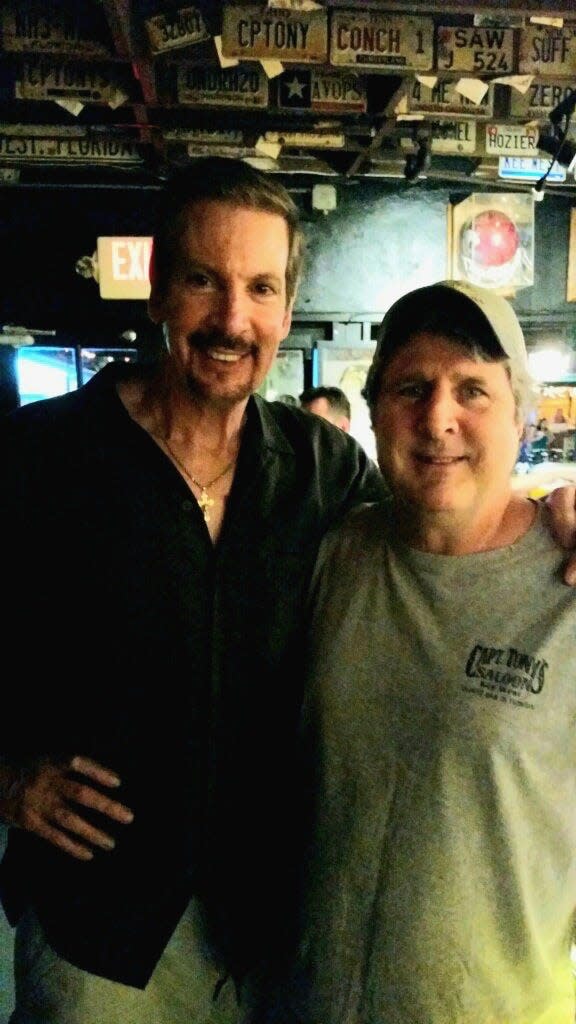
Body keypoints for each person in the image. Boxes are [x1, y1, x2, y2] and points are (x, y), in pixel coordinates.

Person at [0, 157, 385, 1024]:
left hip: (275, 929)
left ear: (286, 311)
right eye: (204, 281)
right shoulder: (42, 459)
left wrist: (541, 525)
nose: (232, 318)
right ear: (158, 291)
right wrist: (8, 783)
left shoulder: (324, 469)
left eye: (259, 288)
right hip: (99, 932)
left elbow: (435, 551)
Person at [264, 280, 576, 1024]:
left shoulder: (567, 587)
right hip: (307, 1003)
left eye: (473, 390)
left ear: (523, 416)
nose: (439, 418)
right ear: (373, 413)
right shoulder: (335, 554)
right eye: (412, 387)